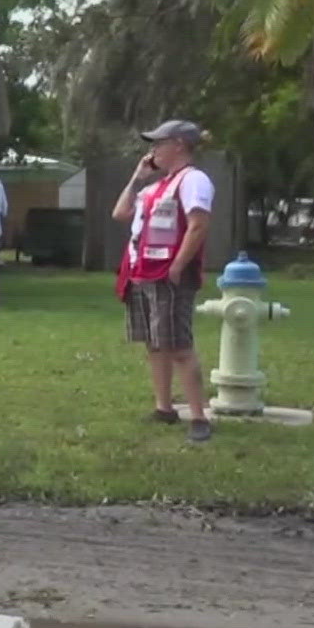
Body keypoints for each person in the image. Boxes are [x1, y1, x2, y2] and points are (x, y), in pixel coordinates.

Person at [112, 119, 215, 442]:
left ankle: (198, 417)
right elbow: (120, 213)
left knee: (179, 346)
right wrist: (137, 176)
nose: (153, 149)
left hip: (168, 275)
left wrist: (177, 266)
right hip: (142, 273)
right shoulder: (155, 187)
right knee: (156, 344)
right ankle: (164, 408)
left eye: (159, 143)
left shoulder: (193, 180)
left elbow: (198, 225)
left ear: (179, 145)